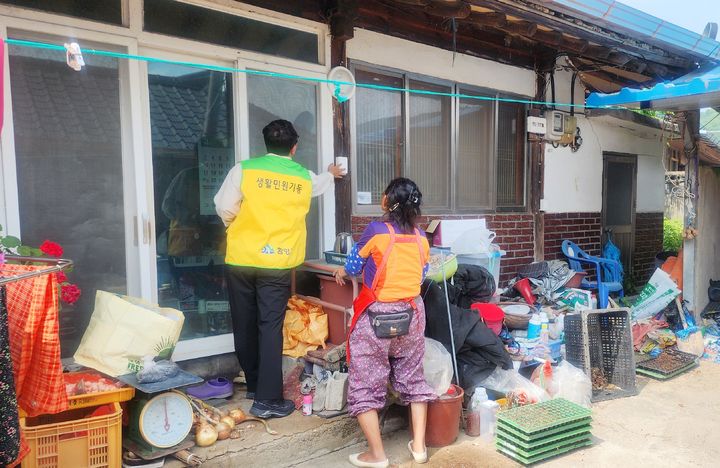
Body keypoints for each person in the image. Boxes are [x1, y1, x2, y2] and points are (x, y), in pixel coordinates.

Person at [214, 119, 343, 419]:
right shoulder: (302, 176)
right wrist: (331, 174)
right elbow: (320, 184)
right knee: (270, 326)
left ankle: (255, 384)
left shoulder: (244, 170)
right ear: (294, 147)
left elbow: (224, 207)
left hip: (241, 257)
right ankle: (268, 400)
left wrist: (239, 228)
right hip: (277, 263)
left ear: (265, 144)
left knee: (244, 322)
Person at [334, 178, 435, 467]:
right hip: (412, 313)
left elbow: (353, 265)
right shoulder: (420, 237)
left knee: (366, 383)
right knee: (414, 379)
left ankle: (377, 455)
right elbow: (421, 272)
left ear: (388, 201)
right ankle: (419, 448)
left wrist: (345, 270)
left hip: (377, 314)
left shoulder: (376, 231)